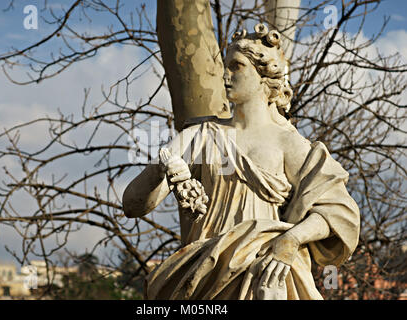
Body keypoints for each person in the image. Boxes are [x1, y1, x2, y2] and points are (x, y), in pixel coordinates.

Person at [122, 24, 360, 300]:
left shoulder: (289, 143)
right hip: (205, 274)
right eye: (225, 66)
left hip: (264, 271)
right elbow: (132, 205)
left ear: (264, 75)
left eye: (236, 66)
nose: (225, 74)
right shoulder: (201, 136)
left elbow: (338, 213)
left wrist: (291, 239)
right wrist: (159, 170)